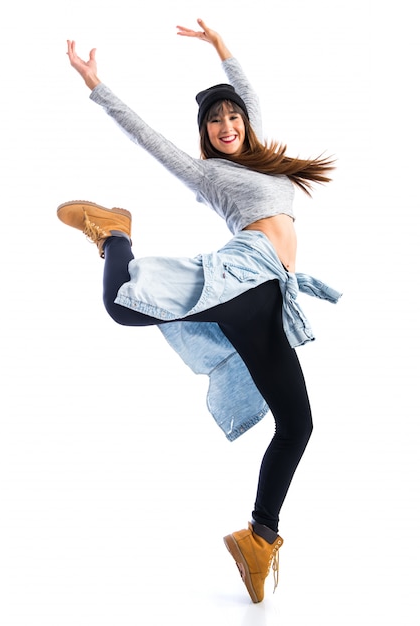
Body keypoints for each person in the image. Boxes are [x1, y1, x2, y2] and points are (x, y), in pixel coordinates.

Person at [58, 18, 341, 603]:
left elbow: (248, 94)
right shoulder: (209, 174)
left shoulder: (260, 159)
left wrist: (220, 48)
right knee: (123, 305)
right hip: (244, 274)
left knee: (298, 425)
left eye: (232, 116)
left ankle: (260, 537)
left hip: (269, 300)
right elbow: (148, 138)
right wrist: (96, 85)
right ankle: (115, 233)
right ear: (206, 136)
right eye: (215, 121)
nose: (227, 125)